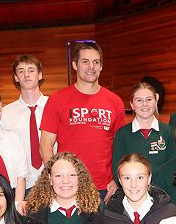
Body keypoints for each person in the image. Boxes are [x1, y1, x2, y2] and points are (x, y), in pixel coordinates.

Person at [39, 42, 126, 201]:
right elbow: (45, 144)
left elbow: (121, 146)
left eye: (96, 62)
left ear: (101, 66)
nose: (91, 66)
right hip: (69, 185)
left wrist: (117, 179)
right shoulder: (57, 99)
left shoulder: (115, 101)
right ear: (74, 65)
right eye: (85, 61)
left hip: (104, 187)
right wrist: (56, 179)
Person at [0, 54, 48, 192]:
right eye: (21, 71)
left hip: (54, 182)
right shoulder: (5, 114)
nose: (26, 75)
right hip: (22, 185)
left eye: (31, 70)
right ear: (16, 77)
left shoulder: (54, 106)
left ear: (40, 75)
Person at [112, 82, 176, 178]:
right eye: (139, 100)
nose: (145, 104)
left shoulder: (169, 132)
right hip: (132, 186)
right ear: (132, 105)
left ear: (156, 102)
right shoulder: (122, 134)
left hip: (163, 187)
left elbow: (173, 167)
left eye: (149, 99)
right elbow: (117, 169)